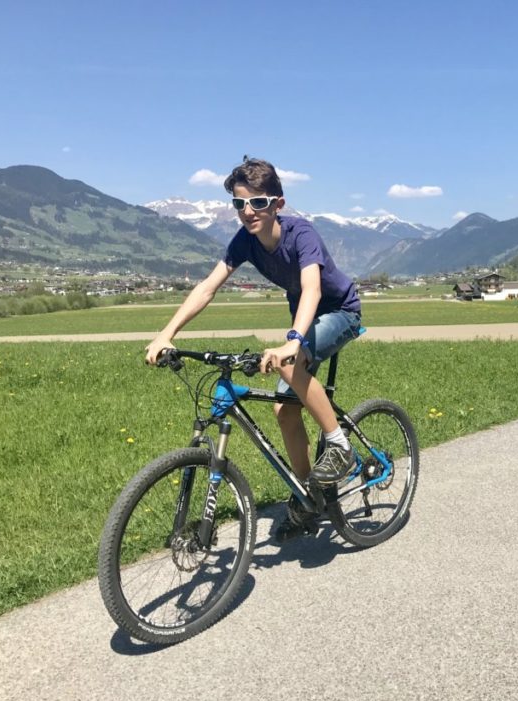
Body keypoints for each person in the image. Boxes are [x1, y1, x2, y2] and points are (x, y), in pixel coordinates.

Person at [144, 156, 363, 542]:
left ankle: (340, 446)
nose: (248, 212)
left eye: (257, 203)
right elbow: (208, 287)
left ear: (277, 203)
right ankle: (309, 494)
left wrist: (293, 341)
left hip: (338, 313)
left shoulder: (301, 233)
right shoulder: (245, 241)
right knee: (283, 412)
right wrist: (167, 333)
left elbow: (312, 288)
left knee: (290, 368)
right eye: (240, 204)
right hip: (303, 321)